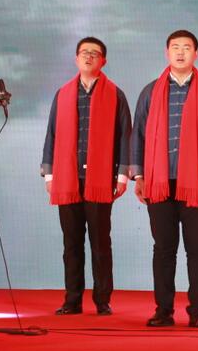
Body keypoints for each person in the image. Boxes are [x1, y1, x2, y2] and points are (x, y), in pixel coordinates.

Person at [131, 30, 198, 328]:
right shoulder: (150, 92)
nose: (180, 52)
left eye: (186, 47)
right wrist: (139, 175)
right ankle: (163, 311)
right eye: (175, 47)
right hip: (158, 182)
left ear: (196, 54)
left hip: (197, 182)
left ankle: (197, 311)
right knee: (163, 248)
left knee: (197, 248)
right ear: (167, 53)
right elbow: (138, 135)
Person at [41, 36, 132, 316]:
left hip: (101, 179)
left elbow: (125, 137)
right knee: (71, 243)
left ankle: (102, 300)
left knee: (100, 243)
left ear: (103, 60)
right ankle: (72, 300)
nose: (88, 57)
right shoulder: (63, 94)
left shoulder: (115, 95)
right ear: (76, 58)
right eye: (84, 52)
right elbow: (51, 135)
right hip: (67, 179)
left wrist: (122, 175)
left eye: (95, 53)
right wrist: (49, 174)